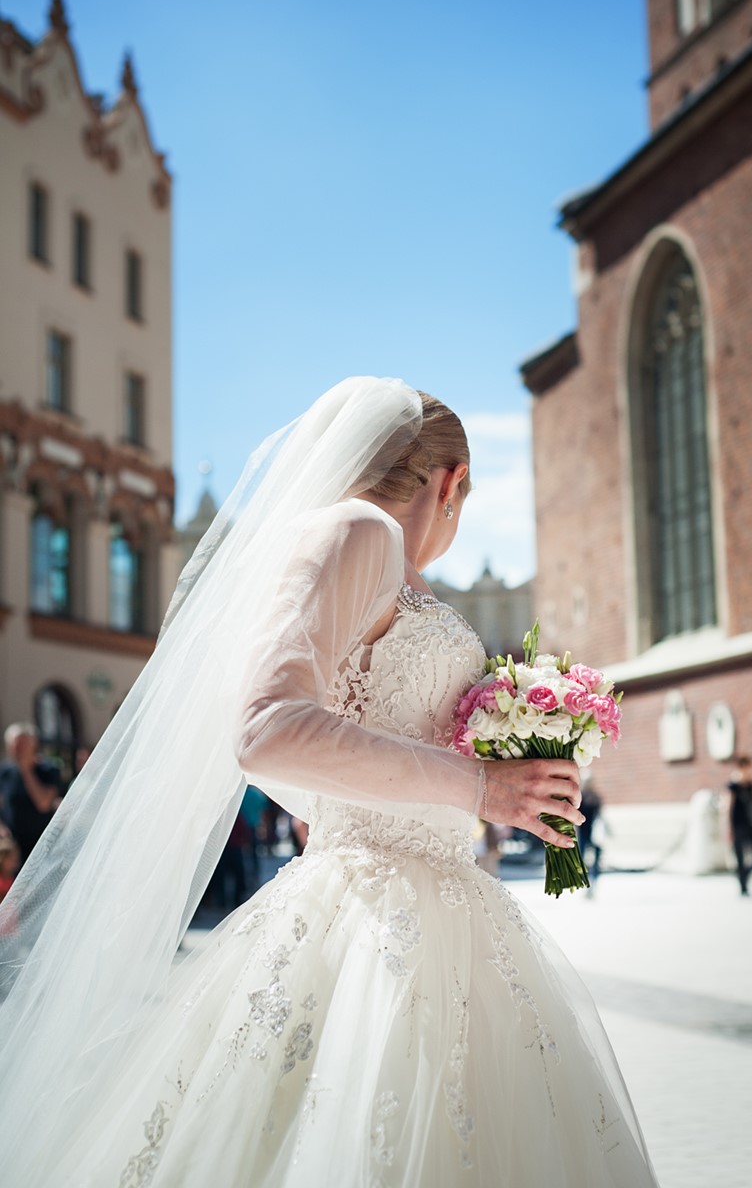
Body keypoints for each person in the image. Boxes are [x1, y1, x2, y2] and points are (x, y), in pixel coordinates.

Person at [0, 378, 658, 1186]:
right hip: (370, 918)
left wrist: (493, 786)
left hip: (443, 904)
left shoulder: (384, 560)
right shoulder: (359, 531)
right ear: (450, 484)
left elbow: (333, 740)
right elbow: (266, 729)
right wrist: (476, 786)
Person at [0, 723, 62, 865]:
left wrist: (25, 769)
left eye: (22, 744)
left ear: (33, 745)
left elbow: (43, 803)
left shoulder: (48, 770)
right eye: (14, 744)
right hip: (13, 853)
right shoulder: (4, 772)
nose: (17, 749)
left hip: (43, 849)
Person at [727, 755, 752, 896]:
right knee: (740, 856)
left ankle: (743, 876)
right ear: (741, 768)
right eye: (748, 767)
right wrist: (728, 829)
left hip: (750, 824)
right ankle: (743, 886)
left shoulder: (751, 785)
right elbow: (727, 809)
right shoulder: (732, 786)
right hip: (737, 825)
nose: (750, 770)